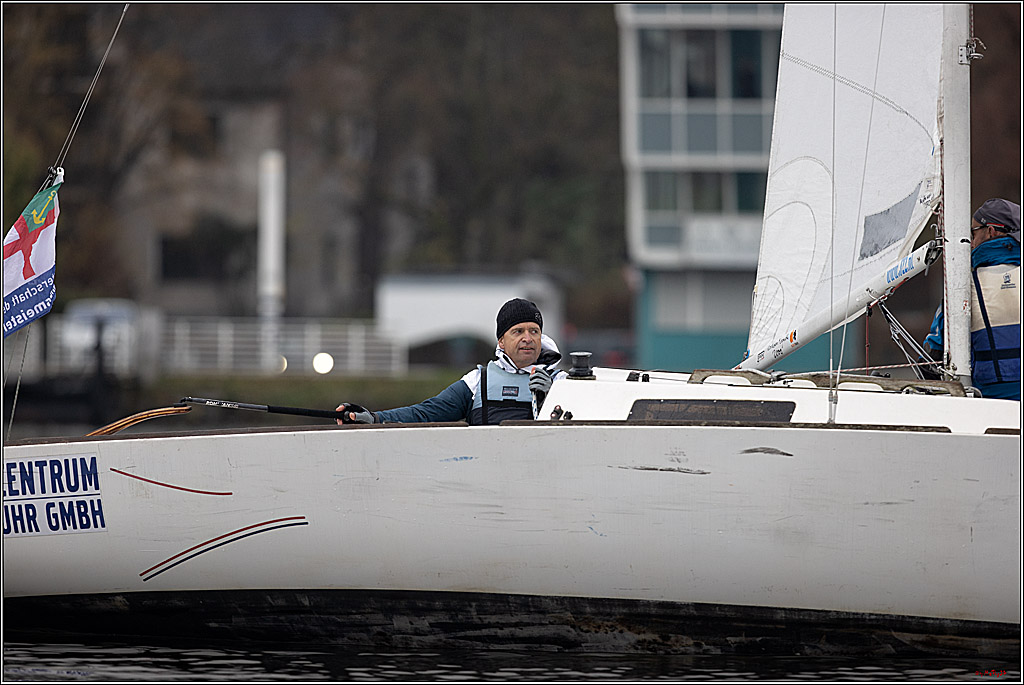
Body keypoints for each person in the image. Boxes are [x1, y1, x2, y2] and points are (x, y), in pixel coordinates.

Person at [336, 298, 566, 424]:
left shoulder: (563, 383)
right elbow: (424, 414)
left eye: (534, 331)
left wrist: (558, 400)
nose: (528, 338)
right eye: (518, 331)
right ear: (501, 342)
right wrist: (374, 418)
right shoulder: (477, 382)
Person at [921, 198, 1020, 400]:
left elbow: (933, 356)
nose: (971, 242)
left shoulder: (964, 287)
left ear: (991, 231)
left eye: (973, 233)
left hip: (990, 403)